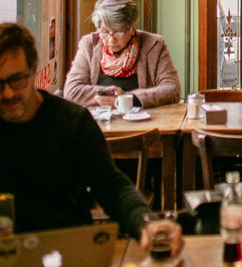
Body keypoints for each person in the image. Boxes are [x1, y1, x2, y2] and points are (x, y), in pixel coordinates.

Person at [0, 23, 184, 256]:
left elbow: (111, 186)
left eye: (16, 80)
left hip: (68, 250)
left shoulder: (72, 121)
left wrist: (145, 222)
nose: (7, 93)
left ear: (34, 69)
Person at [64, 0, 181, 109]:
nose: (111, 39)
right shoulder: (89, 44)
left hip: (141, 121)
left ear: (132, 28)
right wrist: (109, 96)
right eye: (105, 31)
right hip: (101, 121)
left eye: (118, 32)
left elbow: (172, 89)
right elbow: (72, 91)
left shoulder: (153, 45)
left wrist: (128, 99)